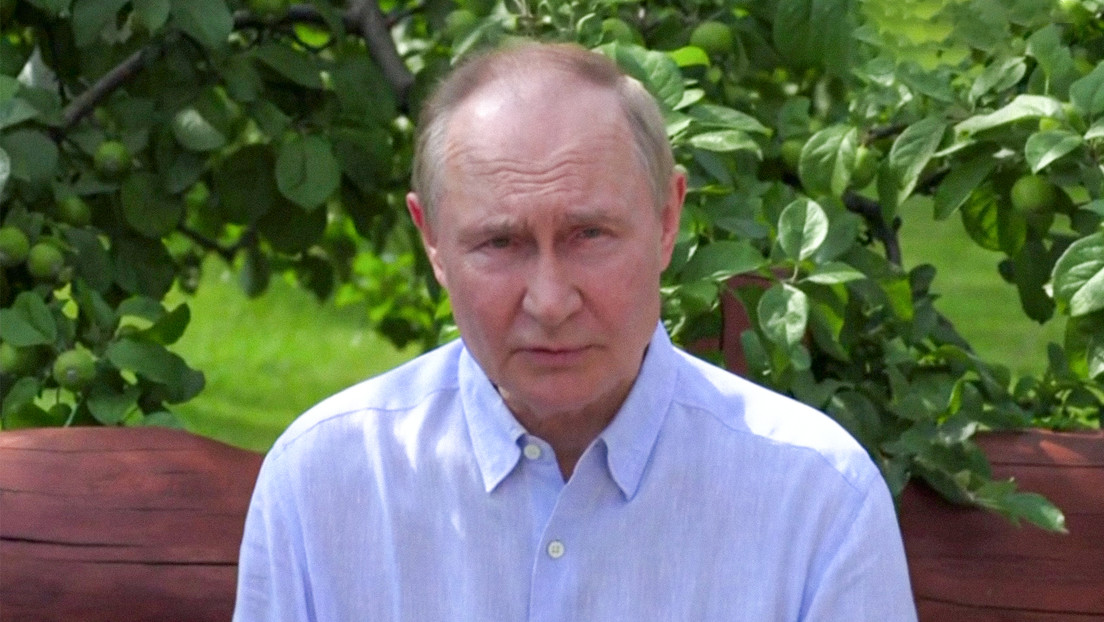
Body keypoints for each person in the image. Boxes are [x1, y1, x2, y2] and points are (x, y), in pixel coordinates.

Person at [233, 41, 917, 621]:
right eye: (500, 242)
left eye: (589, 234)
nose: (551, 301)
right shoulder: (324, 483)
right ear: (432, 240)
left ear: (667, 220)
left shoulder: (816, 498)